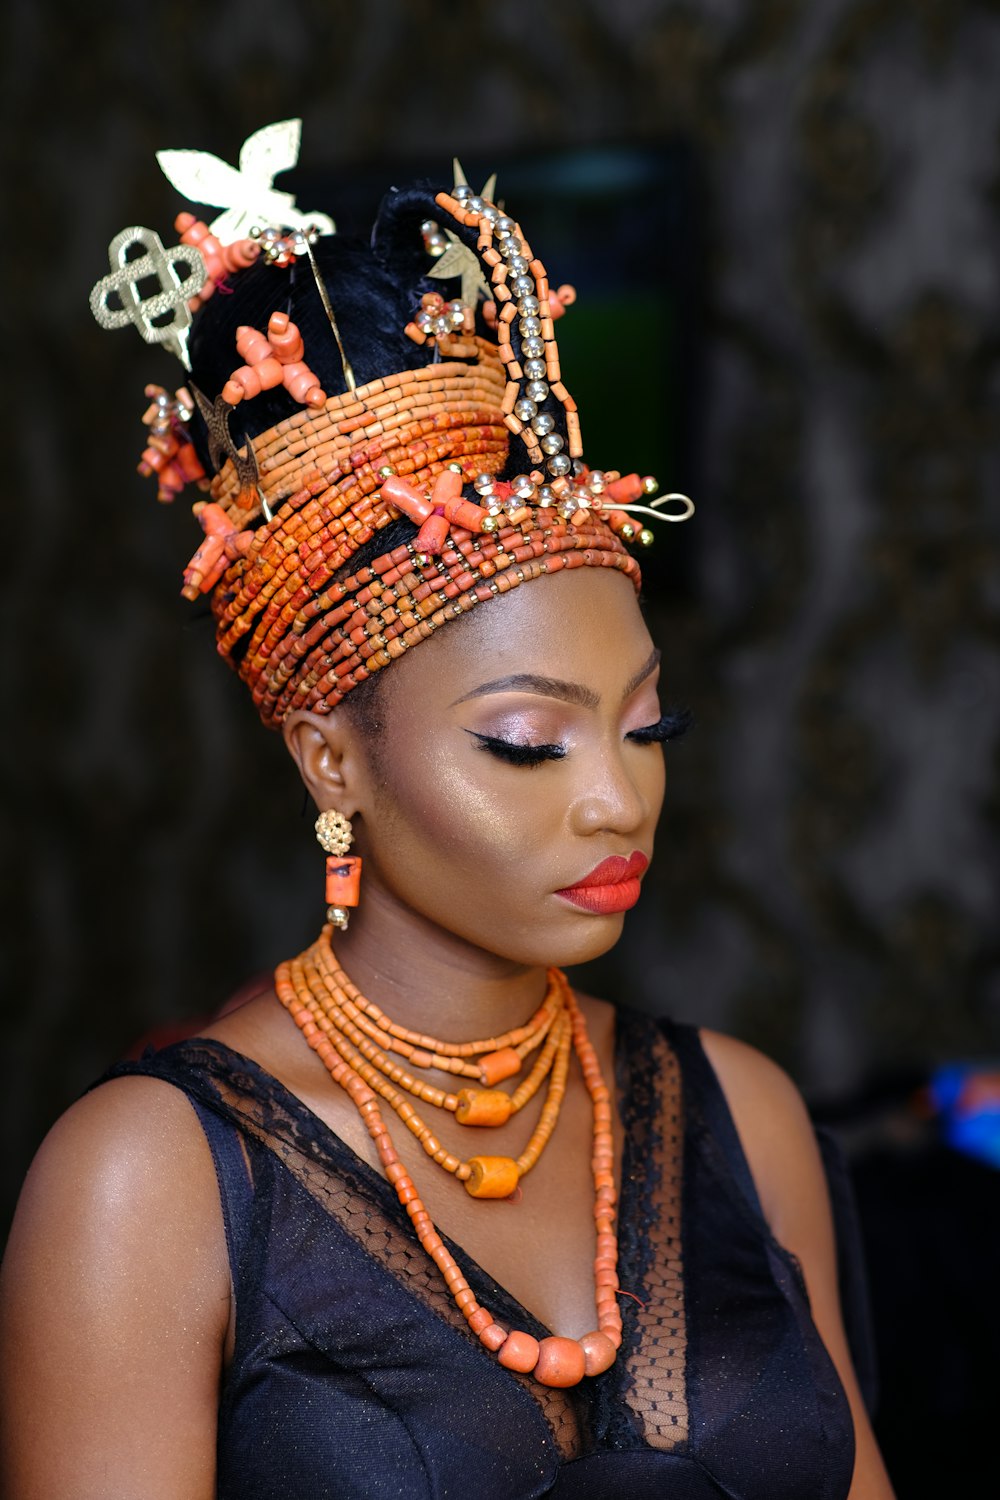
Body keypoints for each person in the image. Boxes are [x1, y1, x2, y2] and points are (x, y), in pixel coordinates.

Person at [0, 123, 895, 1498]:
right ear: (330, 761)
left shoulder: (741, 1113)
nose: (619, 796)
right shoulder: (151, 1179)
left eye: (652, 727)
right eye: (528, 743)